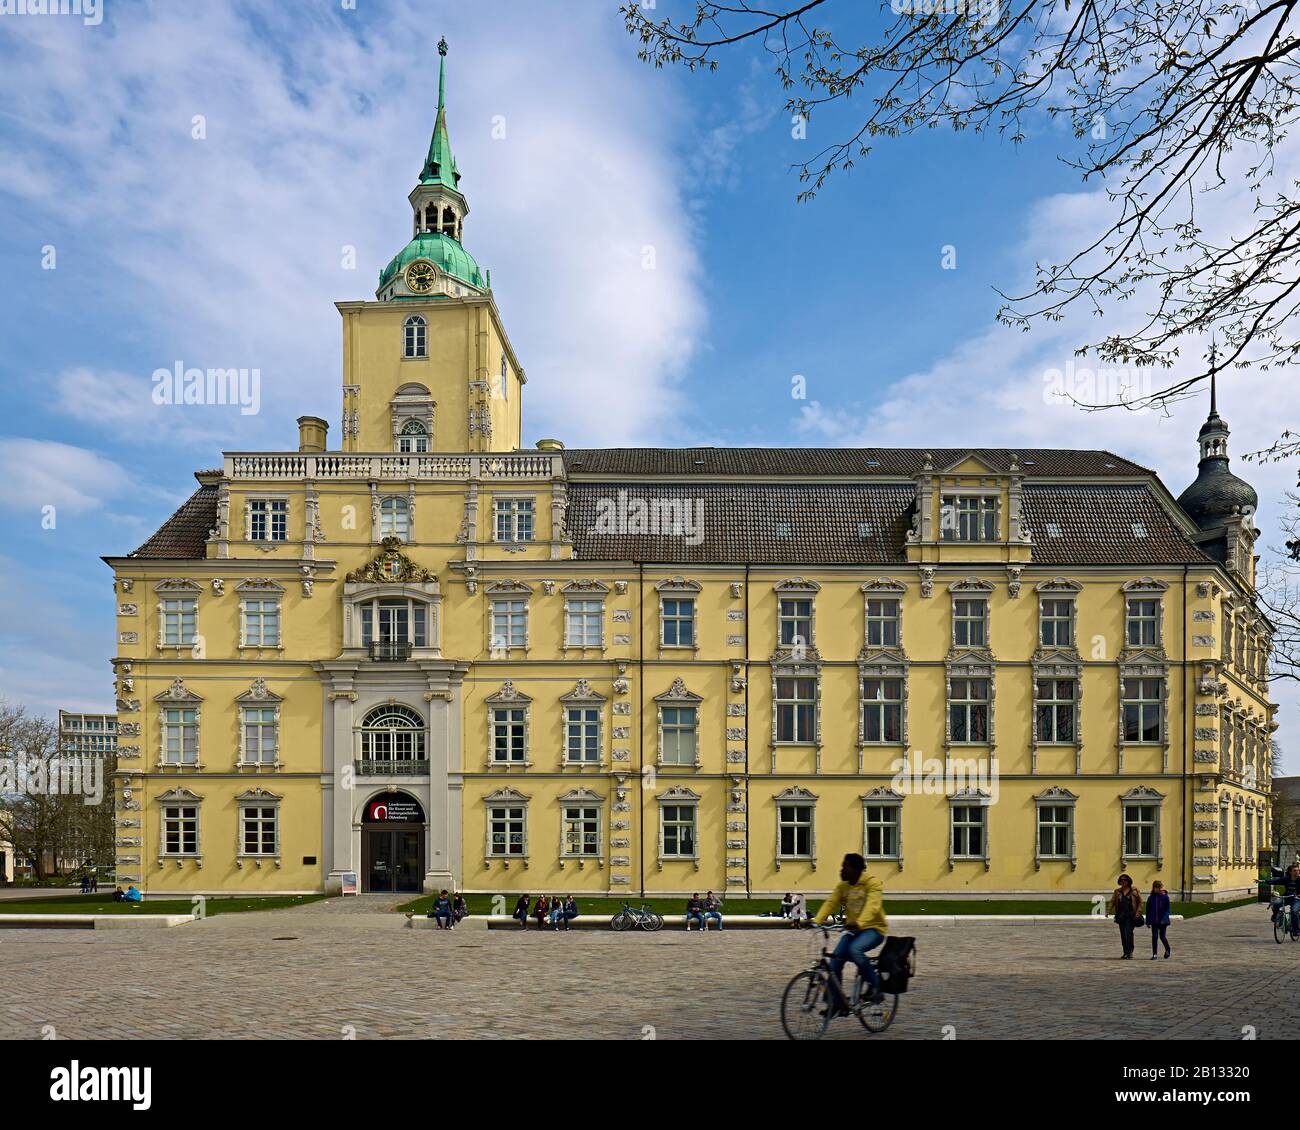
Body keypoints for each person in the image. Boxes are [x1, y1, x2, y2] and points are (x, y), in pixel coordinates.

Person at [814, 853, 888, 1009]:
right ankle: (838, 1003)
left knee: (855, 950)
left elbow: (872, 906)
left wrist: (860, 923)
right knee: (835, 961)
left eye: (845, 867)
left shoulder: (871, 883)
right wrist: (816, 921)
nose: (841, 870)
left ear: (856, 870)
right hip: (854, 930)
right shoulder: (843, 886)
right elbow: (831, 903)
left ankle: (877, 986)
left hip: (874, 929)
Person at [1106, 873, 1143, 959]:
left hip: (1131, 915)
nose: (1123, 882)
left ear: (1129, 881)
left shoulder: (1134, 890)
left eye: (1125, 880)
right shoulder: (1117, 891)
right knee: (1123, 934)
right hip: (1121, 915)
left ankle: (1130, 952)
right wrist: (1108, 911)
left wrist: (1138, 912)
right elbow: (1112, 902)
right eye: (1121, 880)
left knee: (1128, 933)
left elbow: (1140, 902)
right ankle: (1125, 952)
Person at [1267, 862, 1300, 935]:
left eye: (1298, 870)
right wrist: (1264, 881)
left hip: (1297, 899)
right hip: (1287, 897)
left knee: (1294, 911)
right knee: (1276, 904)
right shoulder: (1287, 879)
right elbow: (1276, 881)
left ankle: (1296, 930)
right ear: (1290, 872)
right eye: (1295, 870)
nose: (1297, 872)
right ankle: (1275, 916)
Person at [1146, 880, 1172, 960]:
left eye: (1159, 888)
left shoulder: (1165, 897)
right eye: (1155, 888)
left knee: (1162, 936)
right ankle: (1154, 954)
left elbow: (1167, 910)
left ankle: (1167, 949)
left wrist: (1164, 919)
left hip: (1163, 921)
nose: (1157, 889)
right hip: (1154, 921)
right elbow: (1148, 910)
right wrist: (1148, 921)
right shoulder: (1151, 898)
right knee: (1154, 937)